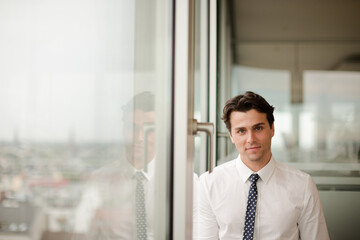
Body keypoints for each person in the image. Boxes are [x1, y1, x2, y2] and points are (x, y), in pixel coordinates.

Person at [197, 91, 329, 239]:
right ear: (231, 136)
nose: (251, 139)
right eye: (241, 131)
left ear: (272, 129)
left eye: (258, 128)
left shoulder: (302, 185)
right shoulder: (209, 183)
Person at [74, 91, 156, 240]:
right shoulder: (100, 179)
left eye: (149, 130)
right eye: (132, 127)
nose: (138, 137)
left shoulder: (184, 183)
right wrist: (99, 215)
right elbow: (81, 231)